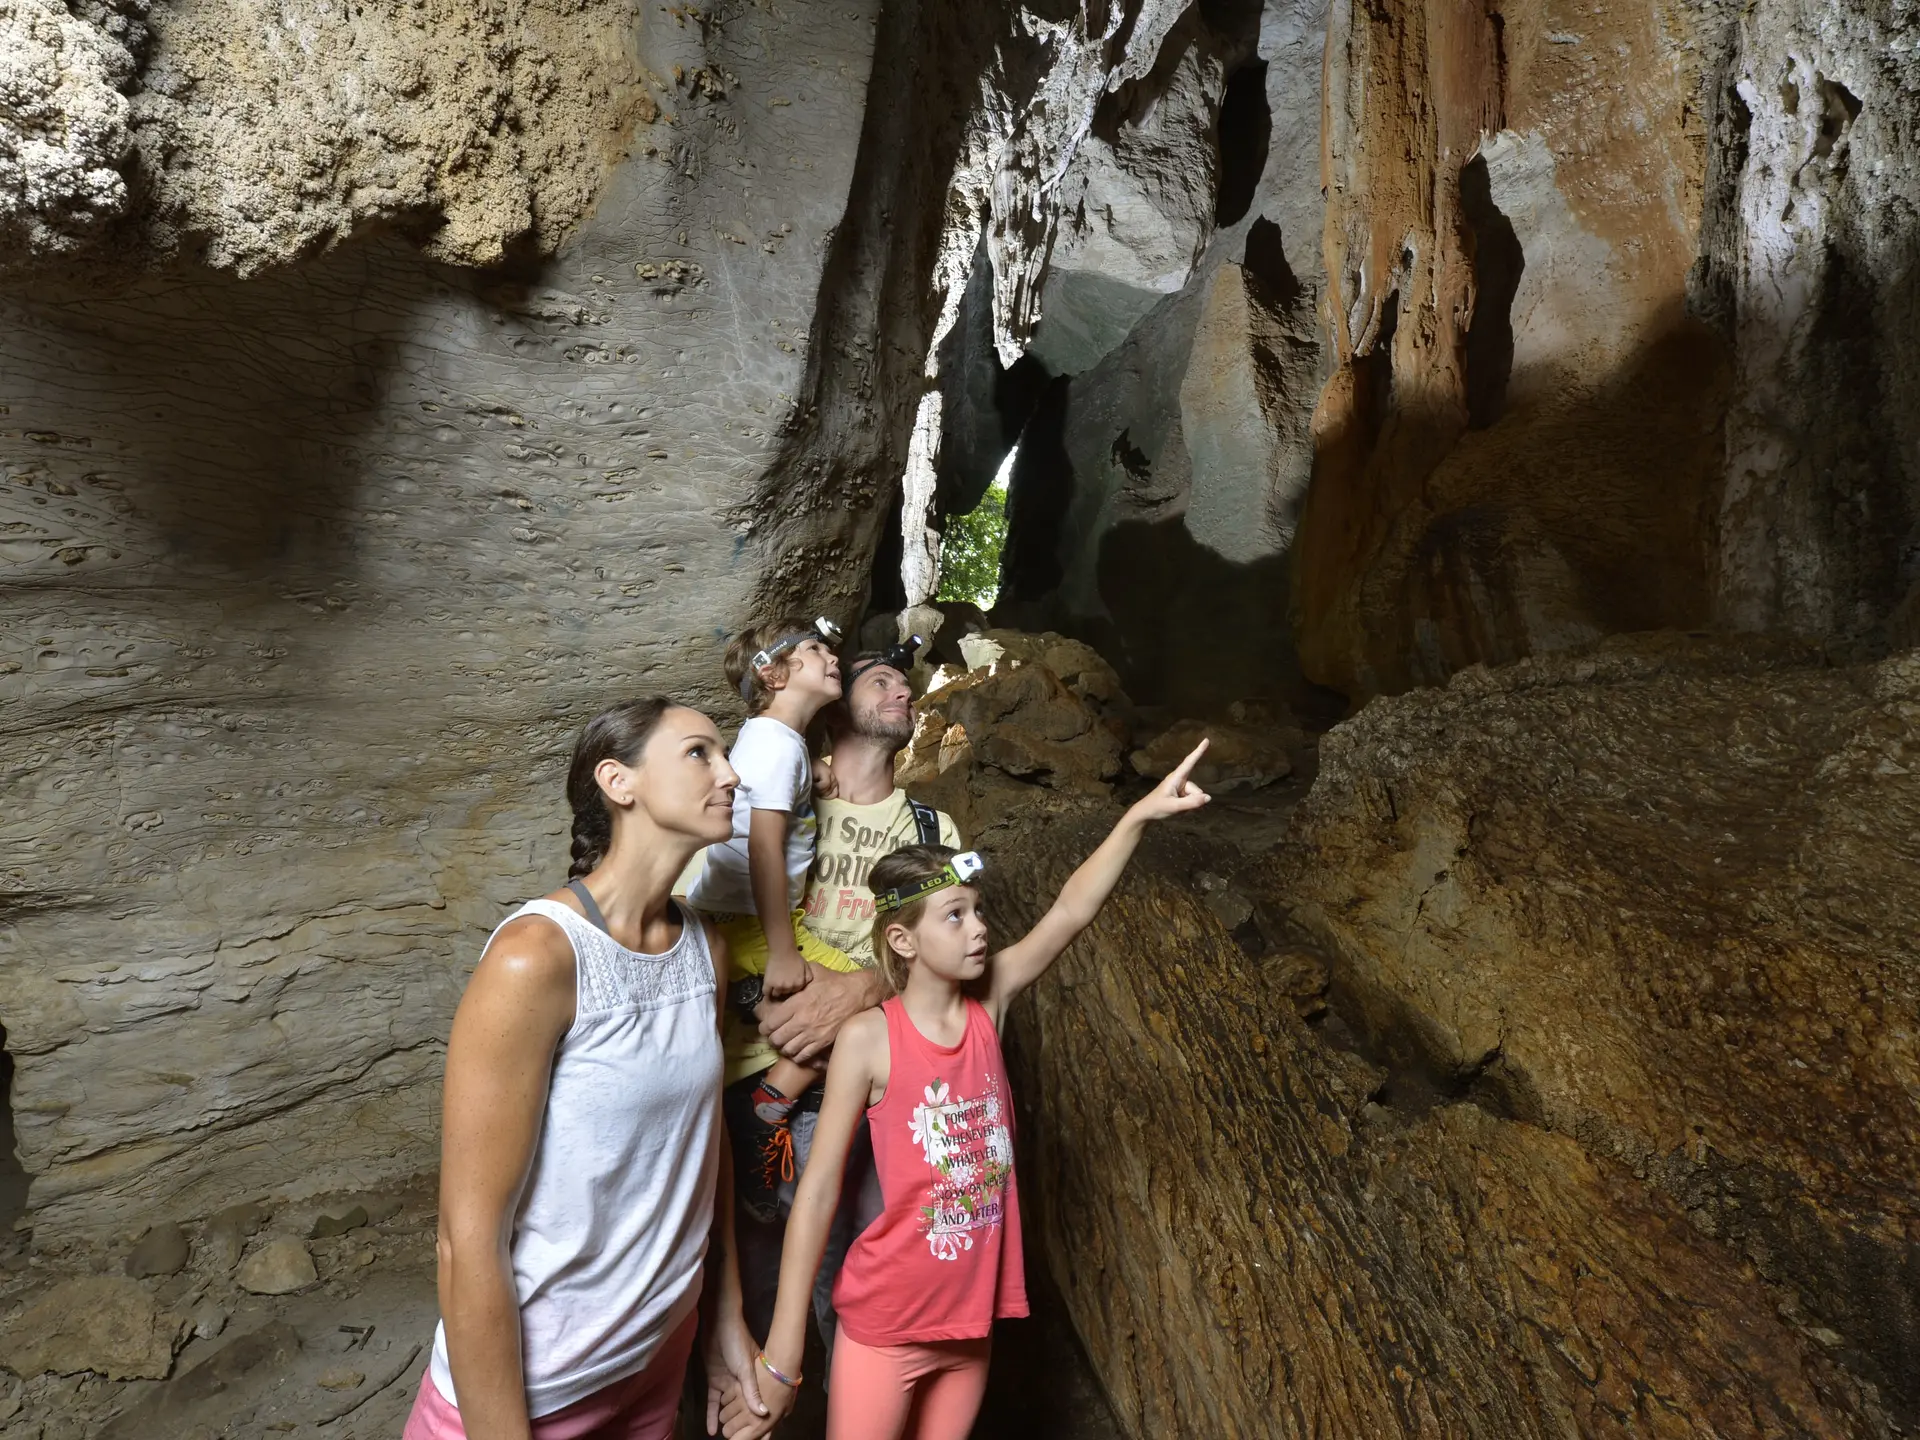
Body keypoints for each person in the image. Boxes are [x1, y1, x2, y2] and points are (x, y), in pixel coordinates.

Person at [736, 739, 1213, 1440]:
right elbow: (816, 1190)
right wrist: (784, 1348)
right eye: (954, 915)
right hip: (886, 1324)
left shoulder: (990, 1004)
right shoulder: (870, 1038)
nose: (980, 928)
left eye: (978, 910)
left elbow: (1070, 911)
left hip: (970, 1321)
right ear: (902, 941)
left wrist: (1137, 815)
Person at [405, 698, 769, 1440]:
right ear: (618, 782)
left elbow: (705, 1152)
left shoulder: (707, 950)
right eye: (700, 752)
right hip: (540, 1391)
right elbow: (466, 1237)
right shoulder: (537, 957)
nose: (731, 773)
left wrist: (723, 1323)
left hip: (653, 1366)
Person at [729, 640, 963, 1349]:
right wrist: (761, 996)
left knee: (855, 1288)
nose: (903, 692)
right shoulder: (785, 803)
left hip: (862, 1094)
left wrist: (859, 986)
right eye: (882, 681)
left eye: (906, 685)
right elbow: (713, 911)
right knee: (749, 1288)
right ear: (835, 712)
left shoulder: (934, 831)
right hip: (747, 1075)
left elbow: (947, 968)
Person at [687, 618, 865, 1221]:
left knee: (848, 1004)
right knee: (867, 1000)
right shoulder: (774, 743)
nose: (831, 655)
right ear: (774, 671)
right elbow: (764, 847)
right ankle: (764, 1106)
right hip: (748, 920)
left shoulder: (777, 743)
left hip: (742, 918)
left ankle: (755, 1034)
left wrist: (813, 774)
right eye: (815, 649)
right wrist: (784, 952)